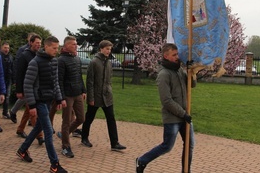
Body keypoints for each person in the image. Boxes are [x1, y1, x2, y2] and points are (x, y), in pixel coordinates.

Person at [135, 43, 196, 173]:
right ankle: (142, 160)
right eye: (174, 55)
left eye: (177, 54)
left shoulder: (179, 70)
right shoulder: (163, 74)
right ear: (166, 56)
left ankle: (186, 171)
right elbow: (166, 101)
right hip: (173, 117)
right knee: (167, 146)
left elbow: (192, 85)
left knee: (190, 145)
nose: (177, 57)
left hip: (185, 115)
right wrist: (183, 114)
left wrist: (192, 72)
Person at [16, 36, 68, 173]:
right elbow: (27, 84)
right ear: (46, 47)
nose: (56, 51)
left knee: (38, 127)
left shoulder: (54, 62)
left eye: (58, 48)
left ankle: (22, 150)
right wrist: (32, 105)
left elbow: (55, 82)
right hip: (38, 101)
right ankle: (54, 164)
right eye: (54, 48)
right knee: (48, 131)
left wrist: (58, 99)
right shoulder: (35, 62)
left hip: (48, 100)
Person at [80, 40, 126, 151]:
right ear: (101, 49)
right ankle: (84, 138)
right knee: (89, 118)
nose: (108, 51)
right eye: (106, 49)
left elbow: (109, 80)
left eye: (110, 49)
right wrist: (90, 98)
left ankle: (114, 143)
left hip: (107, 96)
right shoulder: (94, 62)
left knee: (111, 119)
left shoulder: (109, 63)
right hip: (96, 97)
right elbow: (90, 81)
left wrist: (109, 90)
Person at [56, 36, 86, 158]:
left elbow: (79, 76)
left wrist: (83, 90)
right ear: (66, 46)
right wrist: (61, 98)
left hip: (78, 93)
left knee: (81, 118)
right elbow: (59, 80)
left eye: (76, 44)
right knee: (66, 121)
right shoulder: (61, 60)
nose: (76, 46)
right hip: (67, 95)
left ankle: (65, 134)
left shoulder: (77, 59)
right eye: (73, 44)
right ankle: (65, 146)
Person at [14, 34, 44, 143]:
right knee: (33, 111)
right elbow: (19, 73)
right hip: (27, 87)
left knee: (28, 109)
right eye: (36, 43)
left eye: (40, 43)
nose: (38, 45)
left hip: (36, 87)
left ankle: (20, 128)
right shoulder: (24, 56)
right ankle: (39, 136)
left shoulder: (39, 55)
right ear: (31, 43)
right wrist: (19, 90)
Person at [9, 32, 37, 123]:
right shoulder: (23, 50)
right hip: (25, 77)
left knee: (28, 99)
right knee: (24, 98)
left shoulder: (37, 51)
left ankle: (28, 119)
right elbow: (18, 65)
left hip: (34, 78)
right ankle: (14, 111)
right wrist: (17, 82)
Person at [0, 41, 14, 119]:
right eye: (5, 48)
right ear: (1, 48)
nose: (6, 49)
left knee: (7, 96)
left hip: (8, 79)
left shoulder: (10, 57)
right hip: (0, 79)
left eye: (8, 48)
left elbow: (12, 67)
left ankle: (5, 112)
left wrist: (13, 79)